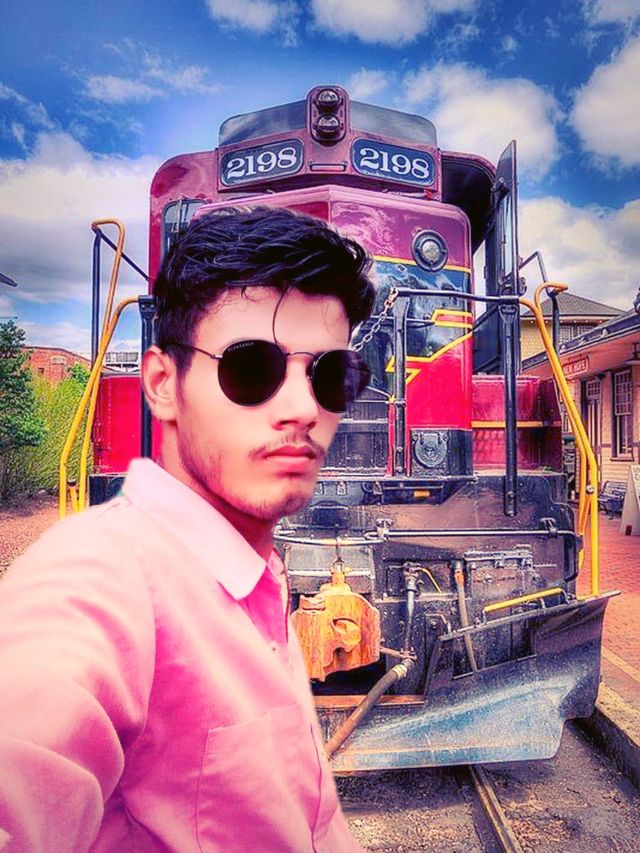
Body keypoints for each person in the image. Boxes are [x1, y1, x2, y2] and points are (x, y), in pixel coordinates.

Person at [0, 208, 375, 851]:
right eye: (250, 369)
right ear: (162, 384)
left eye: (330, 376)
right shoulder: (95, 579)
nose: (302, 408)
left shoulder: (250, 571)